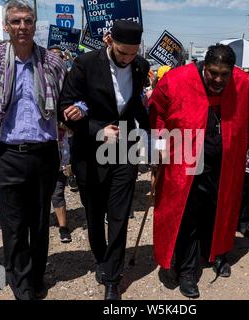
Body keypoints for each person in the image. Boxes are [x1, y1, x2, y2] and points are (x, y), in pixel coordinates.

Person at [0, 0, 66, 300]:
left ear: (35, 25)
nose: (22, 27)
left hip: (44, 155)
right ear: (6, 26)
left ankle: (37, 275)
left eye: (28, 21)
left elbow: (69, 99)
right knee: (14, 225)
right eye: (16, 21)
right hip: (7, 155)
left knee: (39, 222)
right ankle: (21, 285)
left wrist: (78, 109)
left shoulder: (53, 63)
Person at [149, 44, 249, 298]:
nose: (218, 79)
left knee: (220, 212)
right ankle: (188, 271)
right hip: (186, 162)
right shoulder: (177, 80)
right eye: (213, 73)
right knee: (189, 216)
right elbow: (156, 111)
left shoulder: (243, 83)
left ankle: (218, 253)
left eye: (225, 74)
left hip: (226, 164)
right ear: (205, 66)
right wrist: (158, 143)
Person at [59, 20, 149, 300]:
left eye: (133, 53)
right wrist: (98, 129)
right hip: (89, 150)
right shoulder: (85, 64)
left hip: (124, 147)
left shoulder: (140, 66)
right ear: (109, 41)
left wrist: (150, 138)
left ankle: (113, 275)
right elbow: (65, 107)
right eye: (123, 53)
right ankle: (101, 257)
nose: (128, 59)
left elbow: (134, 103)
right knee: (94, 213)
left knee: (119, 213)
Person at [52, 125, 72, 243]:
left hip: (61, 158)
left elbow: (70, 131)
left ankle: (63, 227)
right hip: (39, 158)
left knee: (58, 193)